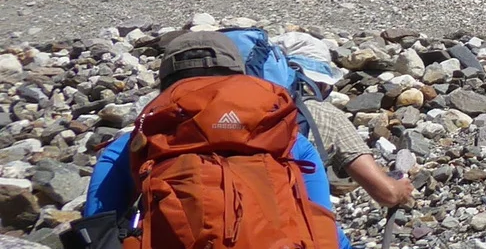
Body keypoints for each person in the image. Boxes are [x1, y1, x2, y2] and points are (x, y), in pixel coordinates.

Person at [83, 31, 350, 248]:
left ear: (165, 84)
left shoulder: (129, 146)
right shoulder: (288, 140)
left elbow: (97, 234)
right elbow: (324, 229)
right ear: (240, 78)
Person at [279, 32, 415, 208]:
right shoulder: (326, 115)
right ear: (319, 82)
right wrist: (400, 188)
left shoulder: (246, 106)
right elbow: (387, 194)